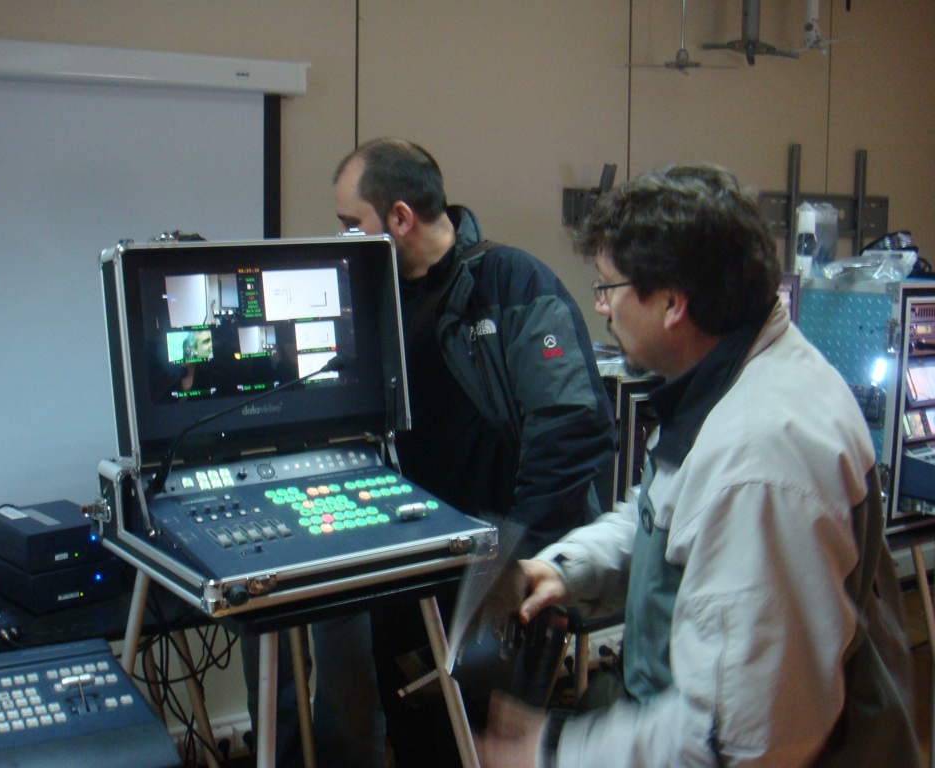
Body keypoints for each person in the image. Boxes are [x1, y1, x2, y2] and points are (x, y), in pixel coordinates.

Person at [475, 163, 922, 768]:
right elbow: (665, 515)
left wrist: (552, 751)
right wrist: (567, 568)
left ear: (672, 303)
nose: (602, 307)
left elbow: (740, 740)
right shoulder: (730, 375)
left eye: (608, 287)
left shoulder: (761, 457)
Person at [301, 138, 618, 768]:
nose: (343, 239)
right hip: (405, 562)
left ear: (399, 217)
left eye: (350, 223)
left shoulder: (514, 284)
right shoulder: (370, 296)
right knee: (416, 730)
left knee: (480, 743)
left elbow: (573, 430)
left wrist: (515, 560)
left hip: (494, 571)